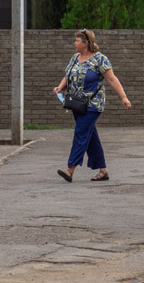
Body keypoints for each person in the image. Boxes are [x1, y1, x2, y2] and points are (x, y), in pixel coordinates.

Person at [53, 29, 131, 182]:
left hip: (93, 105)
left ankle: (70, 169)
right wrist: (60, 87)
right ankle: (103, 171)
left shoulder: (100, 59)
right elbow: (68, 75)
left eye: (77, 41)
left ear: (86, 43)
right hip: (77, 104)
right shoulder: (75, 58)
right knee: (90, 136)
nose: (74, 43)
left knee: (81, 133)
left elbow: (112, 79)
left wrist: (124, 97)